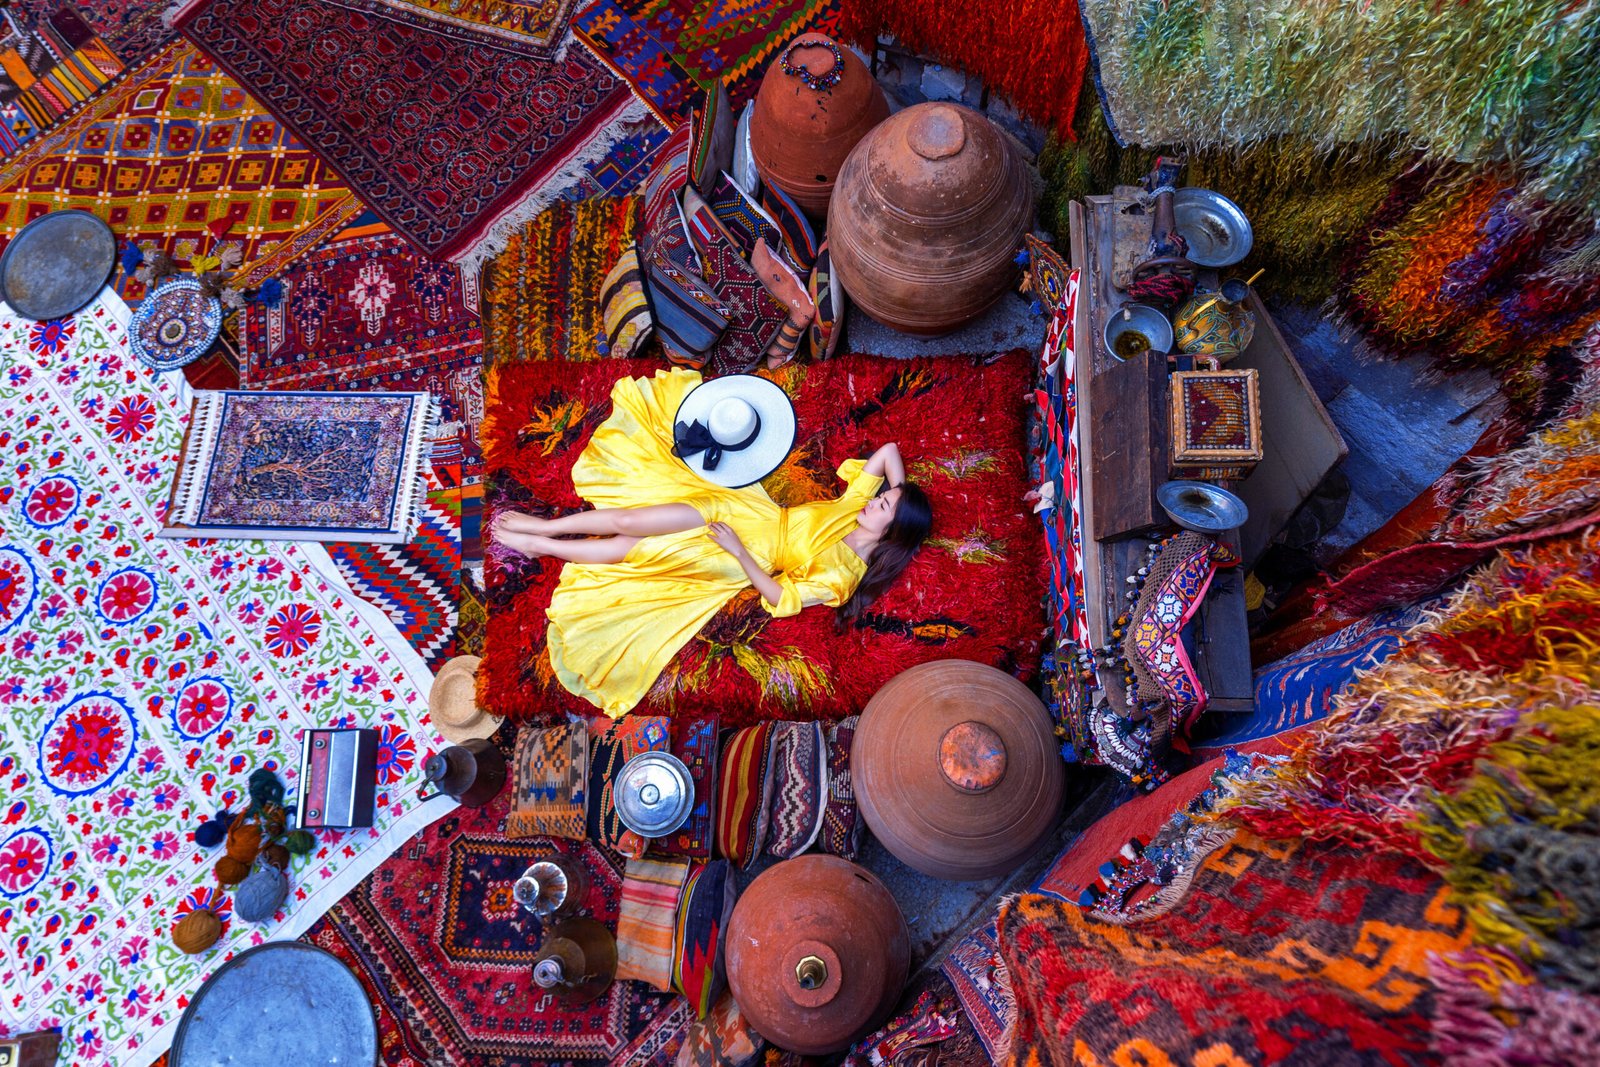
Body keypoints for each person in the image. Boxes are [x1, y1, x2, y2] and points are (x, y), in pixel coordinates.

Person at [492, 368, 932, 718]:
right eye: (883, 498)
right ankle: (546, 527)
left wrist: (739, 552)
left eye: (885, 507)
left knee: (635, 550)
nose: (876, 502)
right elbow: (888, 451)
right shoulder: (854, 506)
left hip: (745, 555)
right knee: (635, 517)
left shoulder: (843, 576)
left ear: (893, 532)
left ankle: (544, 548)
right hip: (748, 511)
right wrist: (902, 496)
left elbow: (782, 595)